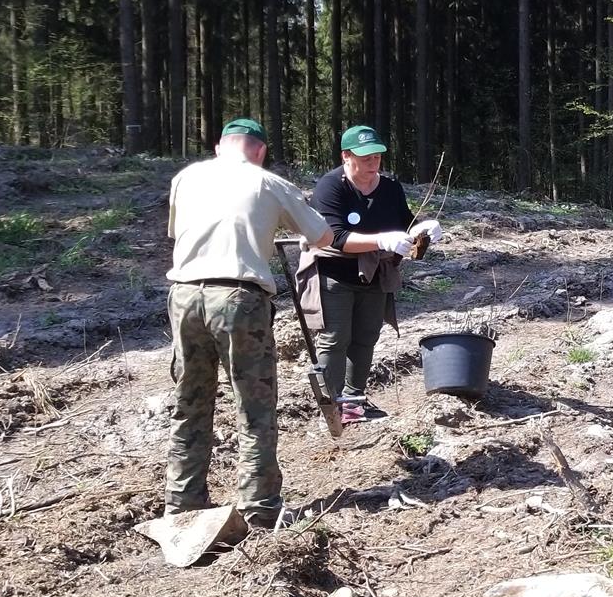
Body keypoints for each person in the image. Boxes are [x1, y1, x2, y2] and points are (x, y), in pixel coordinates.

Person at [164, 118, 333, 528]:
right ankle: (259, 508)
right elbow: (322, 235)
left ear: (221, 146)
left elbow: (178, 233)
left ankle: (182, 503)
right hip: (238, 299)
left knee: (190, 401)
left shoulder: (186, 178)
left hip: (184, 295)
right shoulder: (268, 183)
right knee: (254, 406)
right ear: (259, 151)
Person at [298, 125, 443, 423]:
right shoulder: (331, 187)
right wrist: (380, 240)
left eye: (377, 157)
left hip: (375, 275)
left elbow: (405, 221)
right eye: (365, 158)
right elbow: (333, 236)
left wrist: (421, 228)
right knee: (335, 338)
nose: (372, 163)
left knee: (366, 337)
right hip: (334, 273)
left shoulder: (389, 188)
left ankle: (353, 402)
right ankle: (329, 405)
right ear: (346, 156)